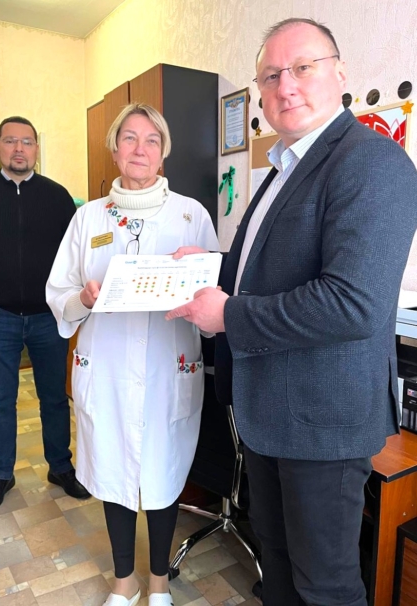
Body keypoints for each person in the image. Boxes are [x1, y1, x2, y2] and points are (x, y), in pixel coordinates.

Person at [166, 18, 417, 606]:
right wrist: (216, 263)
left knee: (324, 586)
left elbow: (352, 303)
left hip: (322, 423)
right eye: (271, 75)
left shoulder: (372, 160)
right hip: (268, 413)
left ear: (340, 72)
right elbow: (272, 267)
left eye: (303, 67)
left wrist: (229, 316)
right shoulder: (283, 165)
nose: (286, 85)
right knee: (276, 568)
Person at [46, 103, 219, 606]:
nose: (140, 149)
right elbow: (58, 291)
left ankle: (159, 582)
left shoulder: (191, 214)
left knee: (164, 473)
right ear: (114, 149)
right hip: (107, 368)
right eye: (129, 138)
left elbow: (213, 288)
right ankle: (125, 582)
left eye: (151, 140)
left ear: (163, 152)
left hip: (170, 366)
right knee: (114, 471)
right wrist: (84, 299)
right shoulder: (88, 218)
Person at [0, 116, 91, 514]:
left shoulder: (57, 197)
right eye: (10, 141)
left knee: (54, 397)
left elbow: (72, 255)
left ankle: (60, 467)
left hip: (48, 317)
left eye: (27, 142)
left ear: (36, 149)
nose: (19, 149)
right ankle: (1, 475)